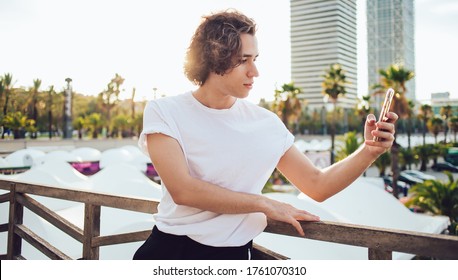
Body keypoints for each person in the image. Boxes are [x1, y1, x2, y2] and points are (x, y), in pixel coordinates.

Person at [133, 9, 397, 260]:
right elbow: (183, 191)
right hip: (168, 252)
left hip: (234, 257)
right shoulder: (165, 111)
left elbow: (317, 185)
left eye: (255, 60)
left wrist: (369, 151)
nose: (254, 72)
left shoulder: (266, 123)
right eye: (243, 60)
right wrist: (264, 204)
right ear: (214, 57)